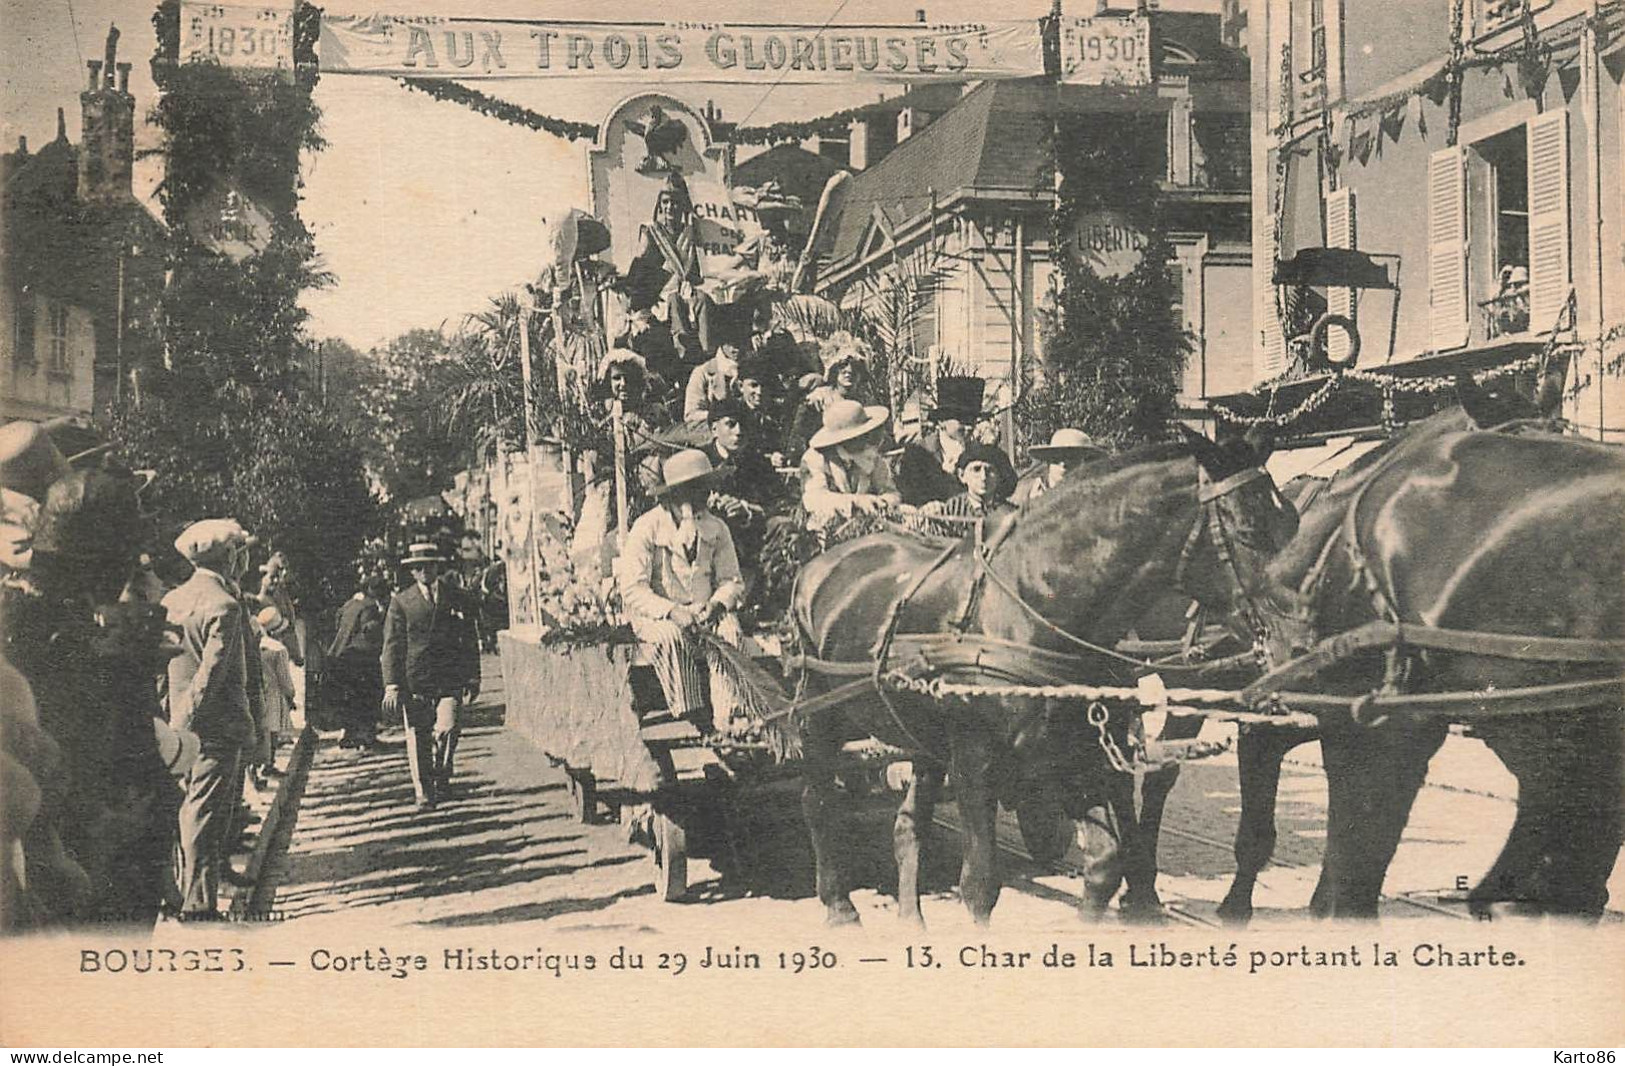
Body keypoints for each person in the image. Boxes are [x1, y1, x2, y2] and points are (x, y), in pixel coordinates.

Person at [163, 519, 258, 919]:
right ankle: (199, 903)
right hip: (213, 725)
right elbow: (212, 671)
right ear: (229, 555)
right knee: (204, 812)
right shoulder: (224, 605)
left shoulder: (175, 599)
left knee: (200, 807)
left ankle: (203, 881)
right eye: (239, 552)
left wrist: (170, 718)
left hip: (180, 724)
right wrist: (187, 719)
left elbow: (164, 668)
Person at [618, 450, 747, 734]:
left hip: (703, 611)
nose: (701, 497)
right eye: (692, 490)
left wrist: (716, 604)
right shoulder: (647, 528)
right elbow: (632, 588)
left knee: (730, 630)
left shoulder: (715, 527)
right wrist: (671, 611)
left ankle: (729, 718)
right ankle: (692, 715)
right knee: (671, 636)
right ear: (673, 495)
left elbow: (732, 579)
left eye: (704, 488)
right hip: (656, 616)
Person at [382, 543, 480, 811]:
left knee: (448, 728)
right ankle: (423, 791)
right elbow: (392, 646)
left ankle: (442, 771)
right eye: (419, 567)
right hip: (416, 680)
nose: (425, 571)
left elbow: (470, 638)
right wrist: (392, 685)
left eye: (430, 565)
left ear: (438, 567)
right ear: (412, 572)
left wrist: (473, 676)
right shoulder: (401, 602)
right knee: (417, 736)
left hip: (449, 678)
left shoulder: (455, 596)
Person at [799, 399, 902, 538]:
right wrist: (855, 502)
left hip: (872, 529)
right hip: (827, 531)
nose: (865, 440)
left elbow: (891, 492)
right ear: (844, 439)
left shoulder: (871, 456)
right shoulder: (816, 459)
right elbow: (814, 499)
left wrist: (881, 503)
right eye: (859, 435)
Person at [328, 575, 391, 749]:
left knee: (349, 698)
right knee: (368, 696)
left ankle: (347, 735)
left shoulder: (349, 604)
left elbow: (337, 621)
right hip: (361, 658)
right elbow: (370, 630)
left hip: (340, 656)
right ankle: (367, 737)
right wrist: (383, 615)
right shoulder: (369, 607)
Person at [916, 441, 1018, 537]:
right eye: (976, 469)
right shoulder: (950, 511)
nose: (983, 477)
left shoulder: (1011, 514)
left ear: (999, 477)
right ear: (962, 476)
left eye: (990, 470)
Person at [253, 607, 298, 787]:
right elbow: (284, 678)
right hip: (274, 693)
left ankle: (257, 770)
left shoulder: (254, 644)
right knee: (272, 731)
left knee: (260, 731)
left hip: (258, 691)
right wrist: (290, 695)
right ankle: (268, 764)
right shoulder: (278, 649)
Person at [1013, 428, 1109, 506]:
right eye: (1057, 457)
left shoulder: (1093, 496)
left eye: (1072, 458)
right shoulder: (1025, 493)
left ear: (1084, 462)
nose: (1063, 464)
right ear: (1048, 460)